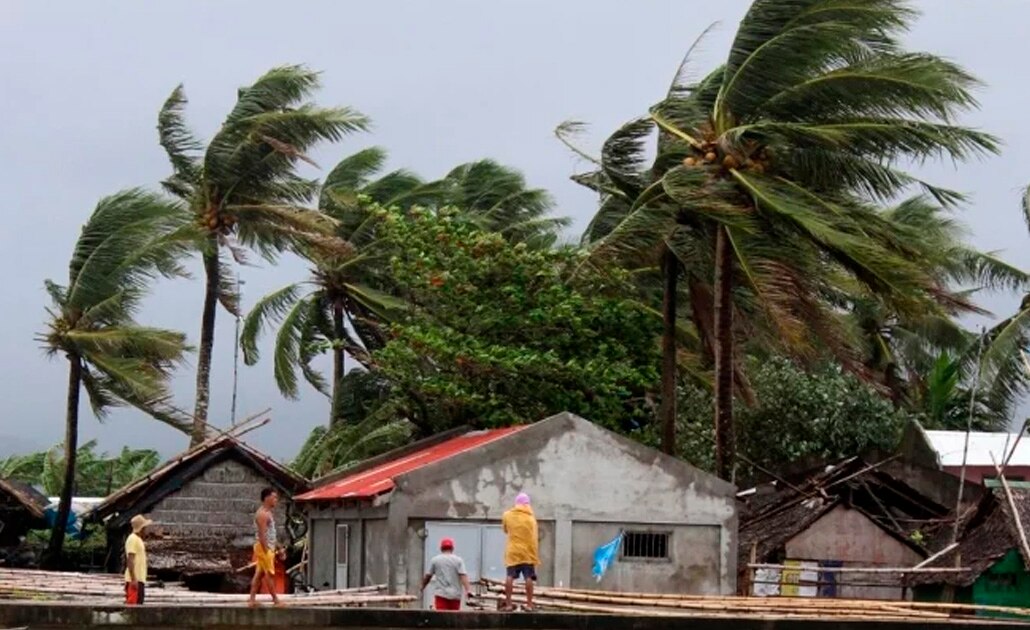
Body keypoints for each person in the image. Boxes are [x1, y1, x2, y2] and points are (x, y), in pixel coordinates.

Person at [502, 492, 539, 611]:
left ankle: (508, 604)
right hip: (527, 552)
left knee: (509, 576)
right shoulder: (531, 518)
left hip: (513, 551)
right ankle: (529, 604)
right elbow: (534, 536)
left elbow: (505, 530)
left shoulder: (507, 515)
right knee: (529, 577)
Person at [248, 487, 283, 607]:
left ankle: (252, 600)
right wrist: (266, 550)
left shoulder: (268, 513)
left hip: (268, 546)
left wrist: (278, 547)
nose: (276, 500)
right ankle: (275, 600)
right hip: (263, 547)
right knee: (269, 574)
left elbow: (271, 533)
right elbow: (262, 535)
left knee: (259, 574)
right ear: (267, 498)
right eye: (274, 497)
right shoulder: (262, 514)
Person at [421, 537, 472, 611]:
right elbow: (463, 576)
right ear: (452, 548)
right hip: (455, 595)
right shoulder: (458, 560)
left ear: (441, 548)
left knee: (442, 618)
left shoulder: (435, 560)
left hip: (441, 594)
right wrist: (468, 590)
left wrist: (422, 587)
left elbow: (428, 576)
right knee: (453, 618)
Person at [124, 514, 152, 606]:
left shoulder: (138, 539)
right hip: (135, 579)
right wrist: (133, 579)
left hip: (140, 579)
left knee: (139, 604)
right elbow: (130, 560)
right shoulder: (132, 539)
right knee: (133, 606)